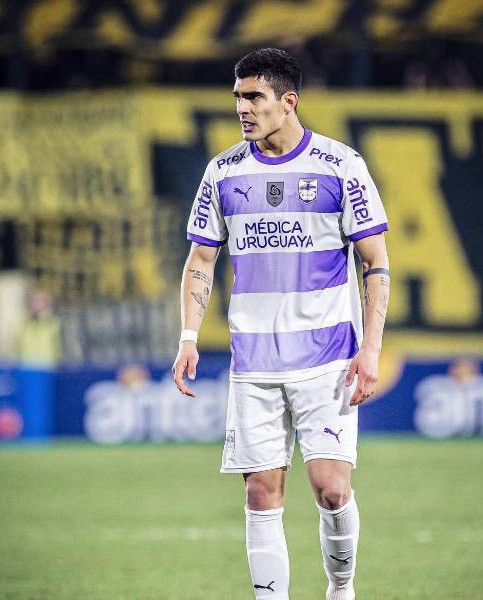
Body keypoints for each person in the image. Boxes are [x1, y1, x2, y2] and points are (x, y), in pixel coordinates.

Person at [173, 48, 390, 600]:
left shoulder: (340, 165)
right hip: (254, 363)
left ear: (288, 100)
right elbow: (200, 261)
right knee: (261, 494)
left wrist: (370, 348)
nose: (242, 108)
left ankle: (341, 589)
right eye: (238, 97)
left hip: (327, 357)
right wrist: (188, 336)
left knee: (331, 490)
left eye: (254, 97)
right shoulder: (223, 171)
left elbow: (375, 262)